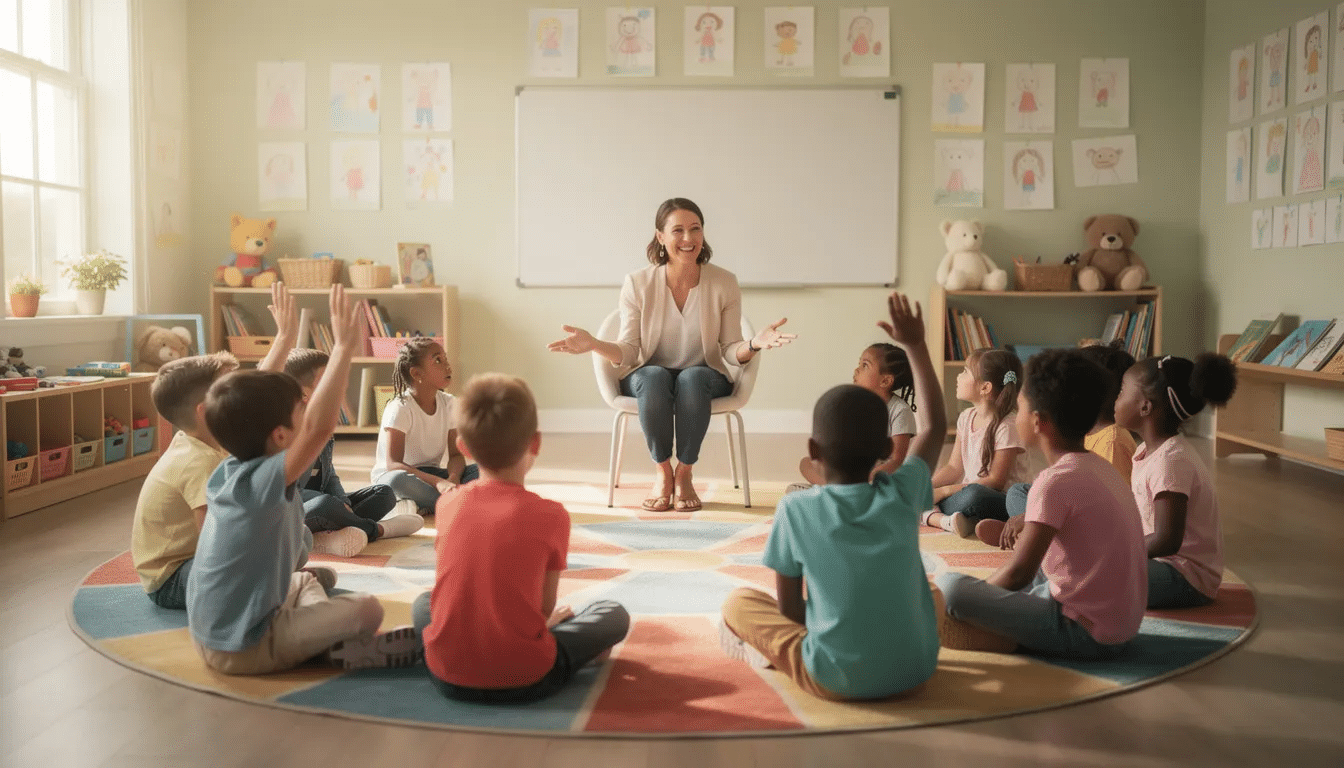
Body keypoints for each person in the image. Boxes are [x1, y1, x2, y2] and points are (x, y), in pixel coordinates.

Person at [718, 293, 947, 701]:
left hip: (835, 678)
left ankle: (769, 654)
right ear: (884, 449)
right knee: (931, 594)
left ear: (814, 451)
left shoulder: (795, 508)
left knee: (738, 603)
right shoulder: (903, 491)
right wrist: (916, 346)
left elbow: (791, 613)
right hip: (915, 670)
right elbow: (935, 427)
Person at [187, 285, 421, 674]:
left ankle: (326, 642)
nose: (306, 411)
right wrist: (343, 349)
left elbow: (250, 402)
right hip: (245, 646)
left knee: (309, 579)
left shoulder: (232, 467)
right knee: (366, 608)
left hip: (214, 631)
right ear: (280, 435)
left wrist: (283, 338)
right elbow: (319, 428)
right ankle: (333, 649)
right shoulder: (263, 482)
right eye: (300, 408)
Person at [549, 198, 796, 511]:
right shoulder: (637, 283)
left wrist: (754, 344)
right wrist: (595, 344)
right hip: (649, 378)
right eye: (677, 230)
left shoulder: (724, 282)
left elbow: (730, 351)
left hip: (704, 378)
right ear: (660, 236)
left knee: (692, 378)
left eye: (695, 229)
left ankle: (685, 472)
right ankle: (663, 472)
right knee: (654, 376)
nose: (688, 238)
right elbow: (629, 351)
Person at [413, 373, 630, 703]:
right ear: (536, 443)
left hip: (447, 675)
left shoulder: (447, 504)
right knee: (612, 613)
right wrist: (551, 624)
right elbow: (543, 609)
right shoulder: (552, 515)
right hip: (527, 677)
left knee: (424, 603)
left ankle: (430, 646)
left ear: (463, 448)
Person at [935, 349, 1147, 659]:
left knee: (950, 587)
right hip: (1123, 626)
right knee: (1044, 569)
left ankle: (1003, 637)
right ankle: (1006, 630)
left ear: (1037, 421)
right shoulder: (1101, 468)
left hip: (1084, 633)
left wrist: (978, 600)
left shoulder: (1054, 481)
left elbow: (1018, 574)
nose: (1015, 414)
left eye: (1020, 407)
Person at [130, 282, 295, 609]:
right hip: (173, 577)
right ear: (206, 411)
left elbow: (258, 387)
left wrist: (284, 338)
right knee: (271, 556)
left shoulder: (207, 435)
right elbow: (215, 544)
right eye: (231, 390)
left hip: (194, 560)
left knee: (289, 543)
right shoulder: (197, 461)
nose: (243, 397)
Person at [983, 343, 1137, 548]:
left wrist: (1033, 515)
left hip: (1095, 528)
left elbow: (1108, 507)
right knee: (1018, 492)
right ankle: (1028, 533)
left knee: (1042, 498)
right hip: (1076, 509)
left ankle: (1031, 537)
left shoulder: (1112, 440)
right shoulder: (1086, 434)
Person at [1114, 353, 1238, 609]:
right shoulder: (1147, 451)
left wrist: (1118, 552)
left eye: (1122, 391)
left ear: (1145, 407)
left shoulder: (1170, 461)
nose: (1116, 398)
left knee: (1096, 573)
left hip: (1186, 578)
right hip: (1161, 564)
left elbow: (1167, 539)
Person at [284, 348, 423, 557]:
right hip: (291, 510)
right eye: (327, 380)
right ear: (303, 393)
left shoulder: (322, 422)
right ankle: (378, 530)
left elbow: (329, 474)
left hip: (323, 502)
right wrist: (334, 503)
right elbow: (288, 492)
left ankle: (326, 535)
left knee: (384, 494)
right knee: (326, 505)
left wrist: (344, 502)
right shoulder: (285, 431)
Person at [923, 348, 1027, 537]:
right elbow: (954, 468)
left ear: (985, 388)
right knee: (919, 496)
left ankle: (939, 515)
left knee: (973, 496)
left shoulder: (1007, 426)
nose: (958, 376)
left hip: (998, 499)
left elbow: (995, 481)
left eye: (965, 371)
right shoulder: (966, 417)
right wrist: (927, 487)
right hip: (967, 493)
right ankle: (951, 521)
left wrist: (944, 491)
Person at [370, 337, 478, 514]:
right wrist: (439, 483)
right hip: (398, 477)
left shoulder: (450, 404)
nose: (447, 365)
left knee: (479, 470)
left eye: (445, 358)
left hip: (430, 474)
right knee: (396, 481)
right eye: (438, 360)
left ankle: (436, 502)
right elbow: (393, 464)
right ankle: (455, 502)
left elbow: (456, 454)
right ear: (416, 374)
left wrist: (453, 478)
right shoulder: (400, 408)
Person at [795, 342, 917, 489]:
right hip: (851, 472)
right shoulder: (853, 405)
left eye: (865, 365)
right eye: (859, 364)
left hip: (879, 476)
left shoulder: (899, 410)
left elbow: (896, 460)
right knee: (806, 463)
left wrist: (867, 478)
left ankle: (840, 491)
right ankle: (835, 489)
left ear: (885, 381)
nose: (856, 370)